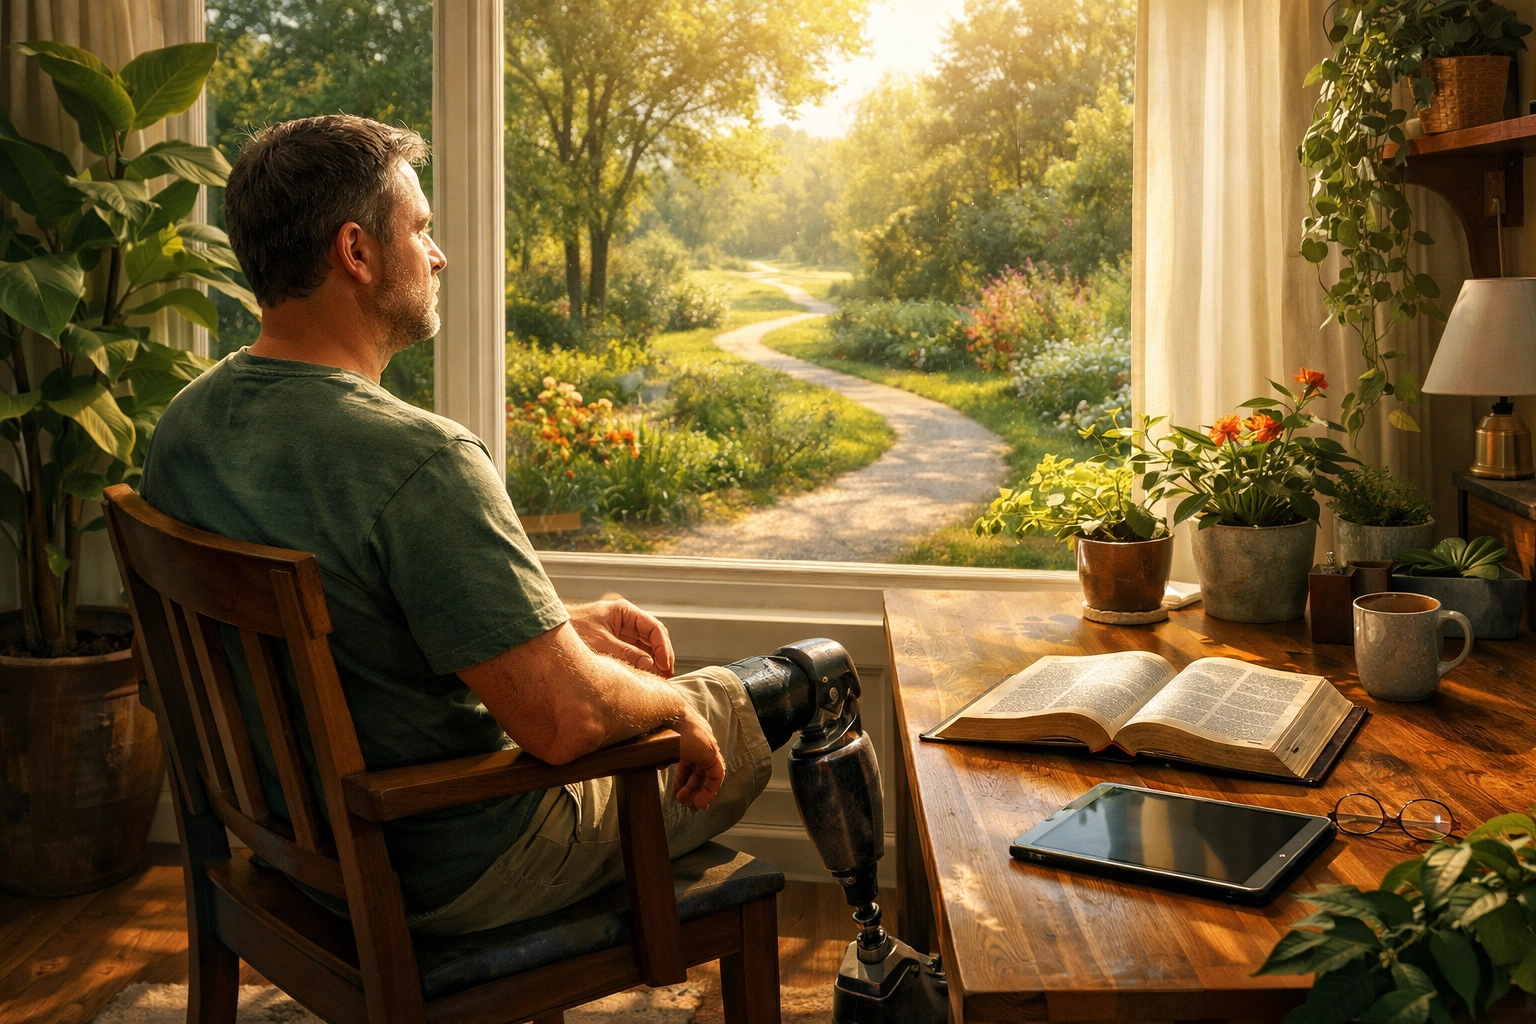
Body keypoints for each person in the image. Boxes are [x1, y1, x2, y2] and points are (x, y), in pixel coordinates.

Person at [139, 114, 778, 936]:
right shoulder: (419, 460)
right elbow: (564, 723)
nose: (438, 256)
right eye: (422, 229)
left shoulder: (184, 428)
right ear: (356, 253)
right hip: (455, 869)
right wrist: (668, 706)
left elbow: (343, 628)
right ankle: (889, 971)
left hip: (289, 848)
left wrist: (556, 625)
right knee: (805, 681)